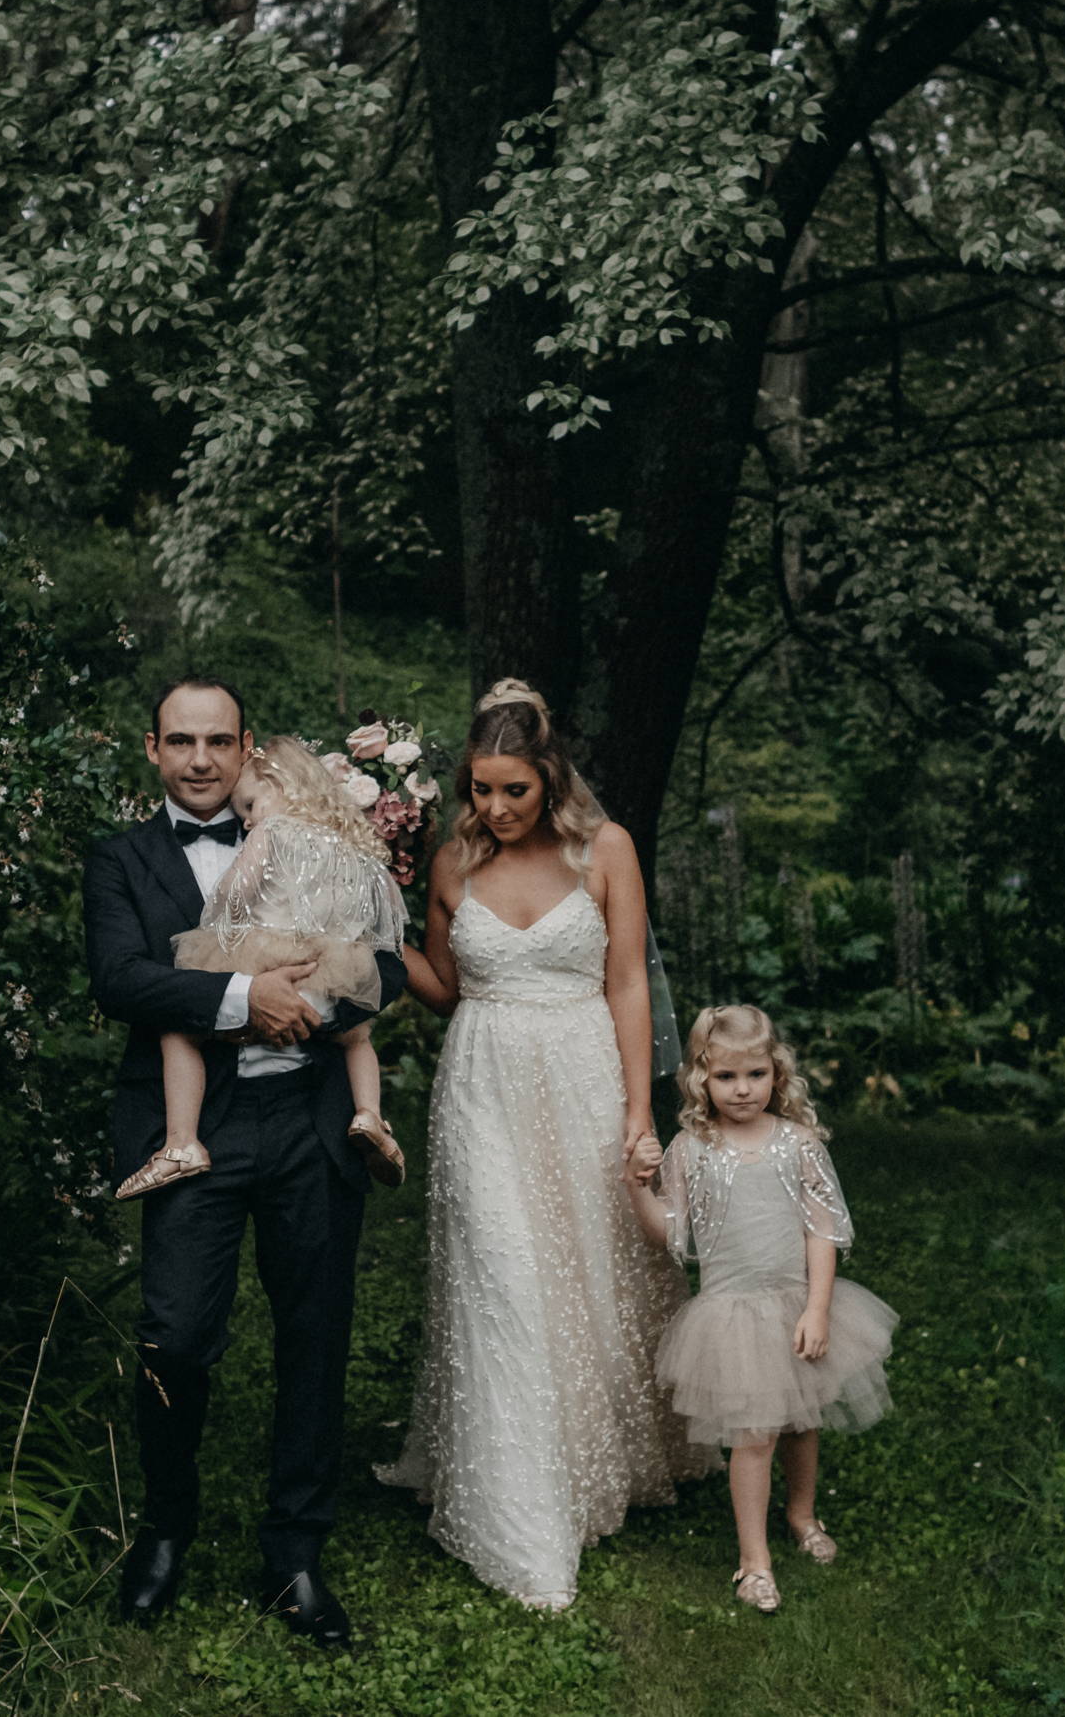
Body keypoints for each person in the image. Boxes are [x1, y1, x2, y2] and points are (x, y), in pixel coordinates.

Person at [82, 678, 410, 1649]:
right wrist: (243, 996)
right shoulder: (123, 859)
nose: (198, 758)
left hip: (311, 1117)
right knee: (175, 1335)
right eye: (179, 740)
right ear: (151, 748)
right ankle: (166, 1530)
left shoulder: (313, 831)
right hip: (197, 1128)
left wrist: (318, 1001)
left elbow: (387, 963)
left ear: (245, 746)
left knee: (315, 1331)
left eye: (217, 740)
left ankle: (295, 1551)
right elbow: (121, 976)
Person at [377, 680, 713, 1610]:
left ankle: (607, 1454)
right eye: (480, 789)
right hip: (480, 1083)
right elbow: (443, 985)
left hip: (580, 1073)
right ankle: (517, 1505)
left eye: (513, 790)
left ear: (549, 777)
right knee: (503, 1267)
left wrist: (641, 1112)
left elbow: (630, 984)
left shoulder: (606, 850)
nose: (495, 808)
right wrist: (369, 927)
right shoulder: (450, 862)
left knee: (591, 1264)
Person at [627, 1004, 898, 1614]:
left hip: (795, 1304)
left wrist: (819, 1309)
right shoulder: (692, 1148)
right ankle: (754, 1562)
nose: (743, 1089)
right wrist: (636, 1187)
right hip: (731, 1315)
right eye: (726, 1078)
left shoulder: (798, 1144)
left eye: (755, 1074)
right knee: (752, 1435)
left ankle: (802, 1514)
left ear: (777, 1073)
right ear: (702, 1079)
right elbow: (667, 1234)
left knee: (803, 1421)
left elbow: (821, 1231)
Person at [116, 736, 409, 1200]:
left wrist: (219, 922)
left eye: (250, 805)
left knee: (179, 1032)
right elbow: (384, 920)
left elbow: (236, 894)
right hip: (328, 975)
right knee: (357, 1038)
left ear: (280, 784)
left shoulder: (271, 834)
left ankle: (182, 1143)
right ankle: (370, 1115)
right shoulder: (354, 849)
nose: (248, 819)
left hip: (268, 966)